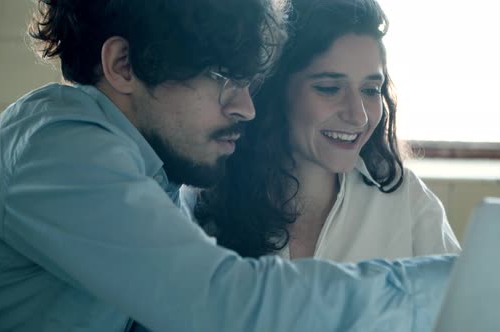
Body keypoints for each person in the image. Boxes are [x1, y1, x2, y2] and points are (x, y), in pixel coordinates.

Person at [0, 0, 455, 331]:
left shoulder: (151, 167)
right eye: (222, 78)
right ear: (124, 66)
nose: (246, 107)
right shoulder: (59, 151)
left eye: (249, 82)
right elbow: (224, 303)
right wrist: (463, 280)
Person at [187, 0, 461, 260]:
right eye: (329, 88)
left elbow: (466, 306)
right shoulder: (202, 201)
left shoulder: (407, 202)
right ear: (276, 90)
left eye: (370, 90)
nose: (358, 116)